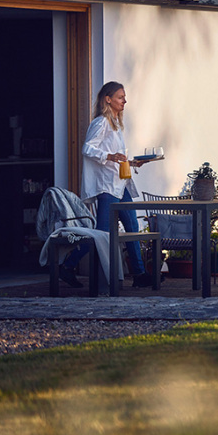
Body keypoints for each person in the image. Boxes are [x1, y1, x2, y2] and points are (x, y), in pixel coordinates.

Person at [60, 81, 155, 288]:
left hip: (120, 185)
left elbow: (116, 158)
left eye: (124, 97)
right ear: (108, 99)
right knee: (102, 232)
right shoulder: (101, 122)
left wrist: (132, 162)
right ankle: (67, 266)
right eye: (121, 97)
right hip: (108, 188)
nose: (125, 101)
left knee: (132, 227)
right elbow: (87, 148)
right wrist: (109, 156)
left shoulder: (116, 124)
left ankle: (139, 274)